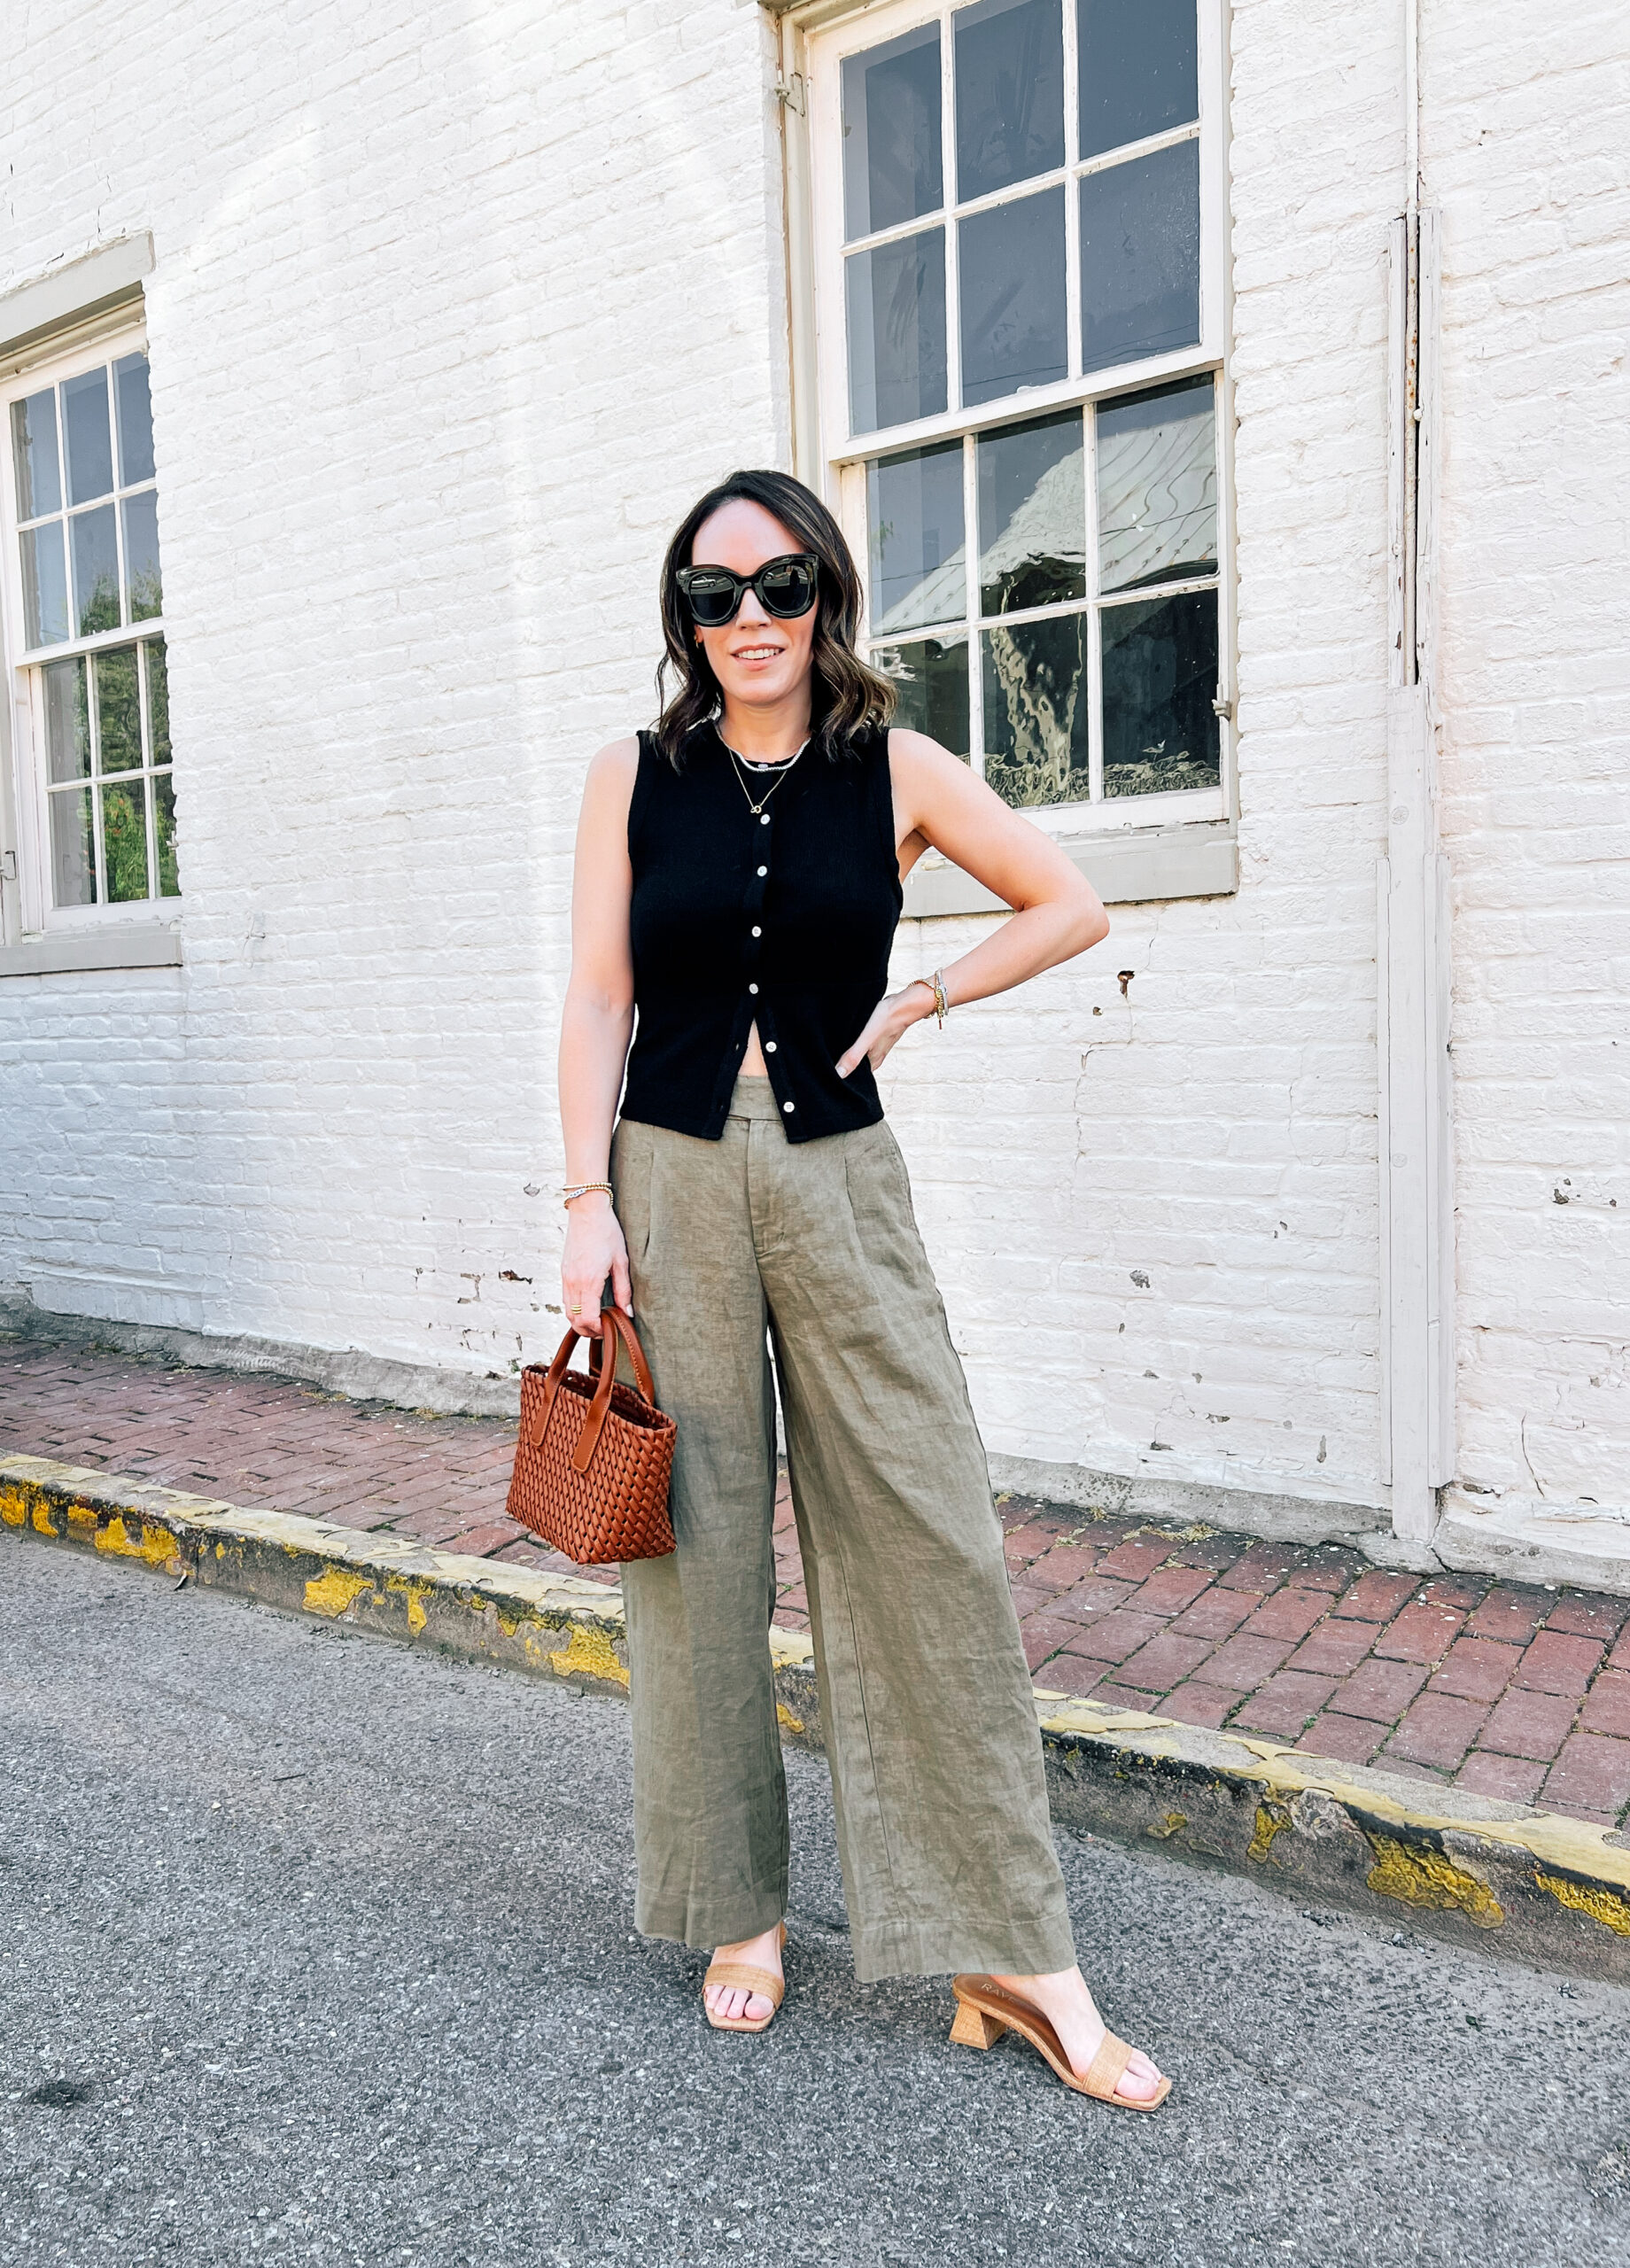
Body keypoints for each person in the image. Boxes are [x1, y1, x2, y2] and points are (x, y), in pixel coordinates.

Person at [555, 468, 1168, 2109]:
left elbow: (1071, 899)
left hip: (838, 1173)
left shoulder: (891, 764)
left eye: (778, 586)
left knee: (927, 1528)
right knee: (695, 1543)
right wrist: (577, 1204)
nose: (747, 619)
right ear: (682, 617)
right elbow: (596, 998)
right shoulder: (633, 773)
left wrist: (923, 1002)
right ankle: (736, 1911)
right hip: (668, 1174)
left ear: (825, 591)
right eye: (712, 594)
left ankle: (1011, 1949)